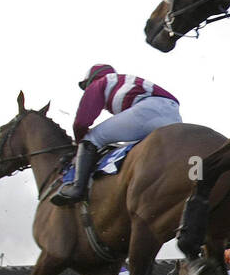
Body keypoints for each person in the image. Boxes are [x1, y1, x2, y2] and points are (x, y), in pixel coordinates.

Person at [52, 64, 181, 206]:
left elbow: (81, 123)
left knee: (91, 138)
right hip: (173, 113)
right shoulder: (122, 81)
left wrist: (79, 144)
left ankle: (77, 189)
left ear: (91, 80)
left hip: (148, 110)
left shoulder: (98, 84)